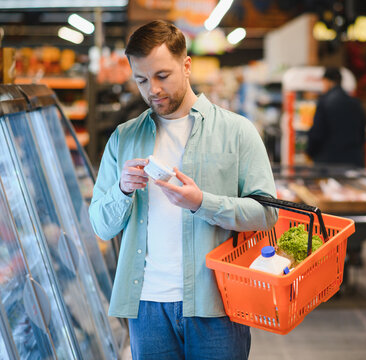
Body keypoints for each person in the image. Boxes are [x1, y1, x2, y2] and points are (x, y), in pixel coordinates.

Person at [88, 20, 278, 360]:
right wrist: (122, 189)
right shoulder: (123, 138)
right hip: (145, 306)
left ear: (186, 66)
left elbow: (266, 215)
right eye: (142, 80)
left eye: (162, 76)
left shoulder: (237, 132)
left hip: (216, 304)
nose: (153, 90)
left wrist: (202, 203)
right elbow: (101, 225)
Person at [306, 67, 366, 167]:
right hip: (353, 161)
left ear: (328, 82)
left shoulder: (324, 102)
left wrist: (310, 152)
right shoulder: (355, 103)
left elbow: (317, 134)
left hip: (328, 163)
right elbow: (362, 134)